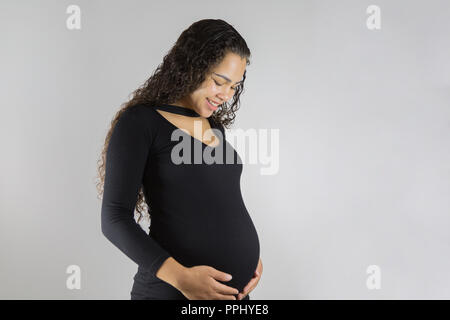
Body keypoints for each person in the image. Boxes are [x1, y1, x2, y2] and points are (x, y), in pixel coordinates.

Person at [97, 19, 263, 300]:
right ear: (192, 66)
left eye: (234, 86)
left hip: (233, 295)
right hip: (171, 293)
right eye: (219, 82)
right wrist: (181, 278)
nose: (226, 95)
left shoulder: (213, 126)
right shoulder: (141, 122)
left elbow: (218, 201)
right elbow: (114, 218)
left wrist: (248, 259)